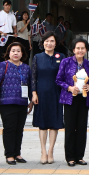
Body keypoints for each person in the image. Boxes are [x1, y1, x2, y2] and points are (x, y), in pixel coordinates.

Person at [0, 42, 33, 165]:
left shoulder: (26, 67)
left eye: (18, 51)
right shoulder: (2, 65)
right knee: (9, 128)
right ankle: (9, 154)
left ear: (22, 53)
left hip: (22, 102)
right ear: (8, 53)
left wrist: (31, 100)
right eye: (13, 51)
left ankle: (17, 153)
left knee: (19, 129)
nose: (15, 53)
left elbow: (30, 85)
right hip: (7, 102)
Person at [57, 38, 89, 166]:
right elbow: (58, 80)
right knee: (70, 128)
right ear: (73, 50)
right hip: (69, 99)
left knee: (81, 128)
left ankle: (80, 156)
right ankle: (70, 157)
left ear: (86, 50)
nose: (80, 50)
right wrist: (69, 87)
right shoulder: (65, 62)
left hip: (83, 99)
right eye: (77, 48)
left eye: (82, 48)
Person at [31, 32, 65, 164]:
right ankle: (43, 151)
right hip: (41, 94)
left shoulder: (61, 57)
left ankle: (51, 151)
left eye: (52, 41)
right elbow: (33, 77)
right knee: (43, 124)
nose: (49, 43)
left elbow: (65, 75)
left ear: (55, 43)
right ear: (43, 42)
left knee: (54, 123)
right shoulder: (37, 57)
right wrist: (34, 93)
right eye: (46, 41)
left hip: (56, 93)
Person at [0, 0, 17, 66]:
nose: (7, 7)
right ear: (3, 5)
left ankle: (8, 67)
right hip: (1, 35)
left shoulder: (12, 16)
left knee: (9, 52)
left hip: (10, 35)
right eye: (6, 5)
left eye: (9, 5)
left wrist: (15, 33)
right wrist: (2, 32)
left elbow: (14, 27)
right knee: (0, 53)